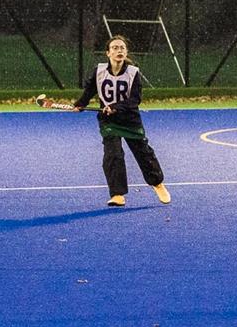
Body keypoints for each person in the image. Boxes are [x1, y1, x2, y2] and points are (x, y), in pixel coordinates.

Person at [69, 35, 170, 207]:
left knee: (143, 153)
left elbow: (135, 99)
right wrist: (80, 104)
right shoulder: (99, 71)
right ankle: (117, 194)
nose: (119, 50)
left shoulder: (133, 73)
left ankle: (157, 183)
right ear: (108, 53)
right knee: (113, 154)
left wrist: (116, 107)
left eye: (122, 48)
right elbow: (90, 90)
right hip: (108, 121)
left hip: (130, 119)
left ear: (126, 52)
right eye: (115, 48)